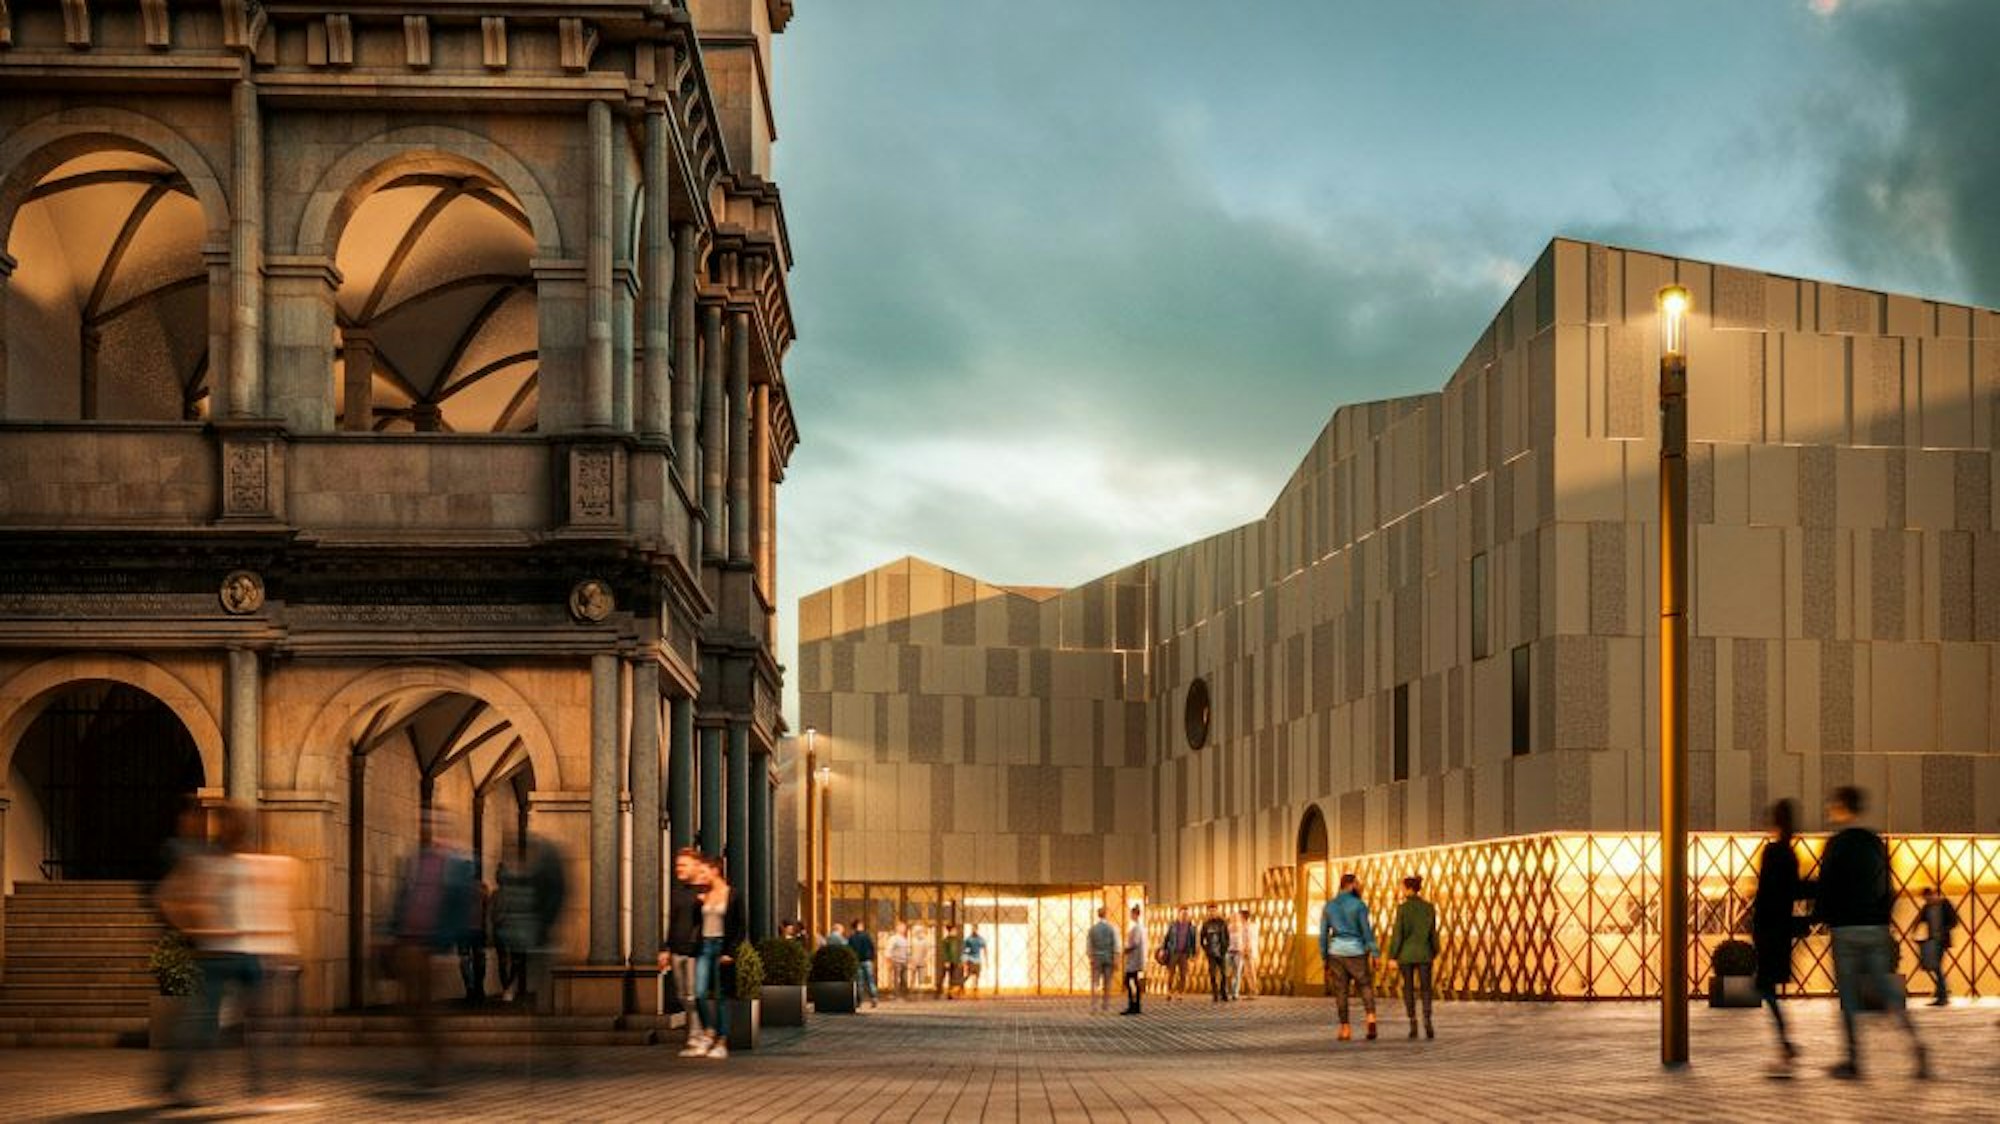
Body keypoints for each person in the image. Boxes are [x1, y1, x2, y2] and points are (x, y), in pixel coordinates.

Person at [155, 803, 267, 1107]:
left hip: (244, 949)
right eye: (232, 822)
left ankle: (257, 1084)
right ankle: (173, 1082)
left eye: (241, 823)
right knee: (203, 1022)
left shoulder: (242, 858)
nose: (239, 828)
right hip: (216, 952)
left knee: (259, 1014)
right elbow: (166, 897)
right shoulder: (203, 860)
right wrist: (193, 929)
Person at [1816, 786, 1927, 1080]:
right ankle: (1916, 1044)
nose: (1830, 810)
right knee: (1888, 992)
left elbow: (1826, 887)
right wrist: (1882, 918)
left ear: (1842, 807)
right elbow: (1888, 887)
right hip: (1875, 928)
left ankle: (1853, 1060)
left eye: (1833, 805)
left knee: (1849, 996)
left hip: (1846, 929)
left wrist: (1822, 917)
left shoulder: (1836, 845)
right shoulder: (1875, 842)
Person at [387, 819, 477, 1086]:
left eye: (434, 825)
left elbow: (460, 908)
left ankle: (436, 1063)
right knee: (411, 1010)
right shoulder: (418, 861)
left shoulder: (457, 865)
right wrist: (394, 932)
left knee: (426, 1010)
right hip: (410, 942)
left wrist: (444, 942)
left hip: (431, 946)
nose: (428, 830)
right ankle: (434, 1060)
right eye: (425, 825)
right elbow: (405, 899)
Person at [1751, 799, 1806, 1076]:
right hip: (1782, 928)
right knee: (1767, 988)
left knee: (1765, 987)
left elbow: (1765, 891)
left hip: (1768, 927)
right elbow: (1794, 890)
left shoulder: (1772, 852)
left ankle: (1785, 1045)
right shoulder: (1791, 854)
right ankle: (1785, 1044)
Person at [690, 854, 746, 1060]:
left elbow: (741, 927)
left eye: (704, 872)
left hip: (723, 948)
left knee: (722, 996)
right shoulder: (701, 896)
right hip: (705, 947)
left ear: (715, 871)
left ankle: (722, 1041)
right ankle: (708, 1032)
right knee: (699, 992)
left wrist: (731, 952)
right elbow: (696, 924)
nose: (701, 876)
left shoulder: (733, 895)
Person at [658, 847, 710, 1053]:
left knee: (692, 995)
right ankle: (698, 1034)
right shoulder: (678, 893)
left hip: (694, 951)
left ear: (696, 866)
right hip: (677, 950)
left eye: (683, 865)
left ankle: (697, 1037)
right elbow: (672, 922)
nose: (678, 869)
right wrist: (665, 949)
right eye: (677, 865)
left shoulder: (705, 892)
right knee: (683, 996)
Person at [1321, 872, 1379, 1042]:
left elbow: (1323, 934)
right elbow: (1366, 931)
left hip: (1336, 952)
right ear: (1352, 884)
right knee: (1365, 985)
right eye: (1357, 883)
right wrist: (1374, 952)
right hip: (1356, 951)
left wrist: (1324, 956)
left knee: (1341, 991)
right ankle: (1371, 1019)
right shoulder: (1359, 905)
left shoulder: (1329, 906)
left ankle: (1345, 1029)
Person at [1387, 875, 1438, 1039]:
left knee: (1408, 988)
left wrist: (1392, 956)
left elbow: (1398, 934)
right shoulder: (1429, 907)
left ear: (1408, 888)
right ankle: (1428, 1021)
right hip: (1424, 953)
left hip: (1406, 955)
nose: (1401, 890)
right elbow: (1433, 933)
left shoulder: (1402, 909)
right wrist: (1434, 951)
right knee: (1426, 989)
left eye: (1402, 887)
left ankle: (1413, 1022)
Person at [1914, 887, 1958, 1006]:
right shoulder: (1927, 907)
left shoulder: (1944, 904)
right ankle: (1941, 994)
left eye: (1927, 897)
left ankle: (1942, 996)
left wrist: (1944, 929)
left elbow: (1954, 920)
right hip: (1933, 941)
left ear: (1933, 894)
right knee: (1936, 967)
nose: (1926, 900)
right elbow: (1919, 919)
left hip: (1941, 941)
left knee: (1937, 967)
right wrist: (1914, 930)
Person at [459, 879, 491, 1003]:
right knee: (479, 960)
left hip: (464, 930)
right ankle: (478, 988)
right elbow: (486, 911)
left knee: (466, 960)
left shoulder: (460, 889)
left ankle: (471, 988)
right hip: (477, 930)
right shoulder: (482, 888)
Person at [1087, 907, 1120, 1013]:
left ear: (1098, 915)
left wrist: (1091, 956)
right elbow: (1116, 945)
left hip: (1096, 958)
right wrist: (1116, 958)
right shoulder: (1112, 928)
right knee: (1107, 983)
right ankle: (1105, 1006)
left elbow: (1089, 945)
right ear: (1106, 915)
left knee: (1095, 983)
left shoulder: (1092, 929)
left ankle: (1094, 1006)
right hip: (1108, 958)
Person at [1163, 907, 1197, 999]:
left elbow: (1193, 942)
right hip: (1173, 952)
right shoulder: (1173, 925)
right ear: (1178, 914)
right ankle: (1169, 991)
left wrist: (1193, 954)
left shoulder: (1191, 927)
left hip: (1184, 953)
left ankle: (1180, 992)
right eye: (1182, 914)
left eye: (1186, 914)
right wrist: (1163, 949)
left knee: (1183, 974)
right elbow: (1166, 938)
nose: (1184, 916)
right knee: (1171, 973)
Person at [1199, 905, 1231, 1002]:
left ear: (1217, 911)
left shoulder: (1222, 923)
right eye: (1210, 911)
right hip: (1211, 953)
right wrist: (1206, 949)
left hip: (1221, 952)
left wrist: (1225, 948)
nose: (1212, 913)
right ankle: (1215, 994)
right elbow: (1202, 939)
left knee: (1224, 974)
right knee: (1212, 974)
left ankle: (1223, 992)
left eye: (1214, 911)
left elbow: (1227, 936)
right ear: (1208, 913)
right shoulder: (1206, 924)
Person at [1121, 904, 1147, 1015]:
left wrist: (1126, 949)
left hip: (1134, 959)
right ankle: (1136, 1005)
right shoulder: (1140, 927)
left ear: (1135, 914)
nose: (1131, 915)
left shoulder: (1137, 928)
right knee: (1134, 981)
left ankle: (1133, 1005)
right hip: (1136, 959)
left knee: (1129, 981)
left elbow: (1135, 943)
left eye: (1132, 913)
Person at [849, 918, 880, 1008]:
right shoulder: (866, 936)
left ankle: (859, 1001)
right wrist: (872, 958)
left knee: (860, 982)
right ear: (859, 926)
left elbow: (850, 950)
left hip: (857, 961)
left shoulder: (852, 937)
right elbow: (872, 947)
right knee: (870, 981)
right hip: (867, 961)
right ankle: (874, 998)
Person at [1233, 908, 1258, 1000]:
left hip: (1248, 951)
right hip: (1249, 950)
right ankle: (1252, 991)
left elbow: (1247, 939)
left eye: (1240, 916)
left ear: (1243, 917)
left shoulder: (1246, 926)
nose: (1238, 918)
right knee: (1249, 971)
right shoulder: (1250, 926)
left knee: (1250, 971)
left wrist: (1245, 950)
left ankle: (1253, 991)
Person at [886, 922, 913, 1000]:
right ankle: (895, 994)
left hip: (903, 961)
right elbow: (889, 949)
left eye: (904, 927)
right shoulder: (894, 938)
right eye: (902, 927)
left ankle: (903, 994)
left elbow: (907, 951)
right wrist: (888, 959)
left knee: (903, 979)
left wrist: (909, 959)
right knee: (896, 979)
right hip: (896, 961)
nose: (904, 929)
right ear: (897, 928)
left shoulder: (904, 939)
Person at [938, 922, 964, 999]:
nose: (956, 931)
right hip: (949, 961)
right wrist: (946, 960)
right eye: (954, 930)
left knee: (953, 978)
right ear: (951, 931)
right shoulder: (946, 940)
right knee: (945, 976)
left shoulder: (957, 940)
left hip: (955, 961)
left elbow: (959, 951)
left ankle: (951, 993)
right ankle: (940, 991)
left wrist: (960, 960)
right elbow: (945, 951)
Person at [961, 924, 987, 997]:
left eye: (975, 929)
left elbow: (984, 947)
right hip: (971, 960)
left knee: (977, 976)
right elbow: (965, 949)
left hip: (978, 960)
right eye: (972, 929)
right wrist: (965, 959)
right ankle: (960, 986)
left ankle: (975, 990)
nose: (973, 930)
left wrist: (986, 959)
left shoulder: (980, 939)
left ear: (977, 929)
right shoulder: (968, 939)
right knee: (968, 975)